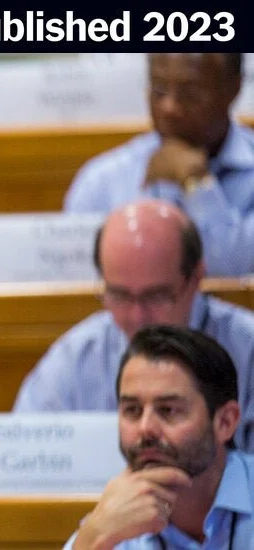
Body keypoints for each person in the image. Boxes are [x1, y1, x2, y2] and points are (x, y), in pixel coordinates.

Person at [14, 200, 254, 452]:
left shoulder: (247, 350)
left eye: (156, 296)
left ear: (196, 279)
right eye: (119, 296)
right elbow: (27, 460)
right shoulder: (74, 360)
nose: (137, 317)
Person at [64, 53, 254, 277]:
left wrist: (197, 185)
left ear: (234, 88)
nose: (169, 107)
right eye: (159, 90)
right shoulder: (102, 180)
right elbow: (76, 289)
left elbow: (230, 277)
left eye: (190, 94)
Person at [64, 325, 254, 549]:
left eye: (168, 410)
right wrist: (93, 538)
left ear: (225, 422)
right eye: (132, 410)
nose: (145, 428)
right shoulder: (111, 524)